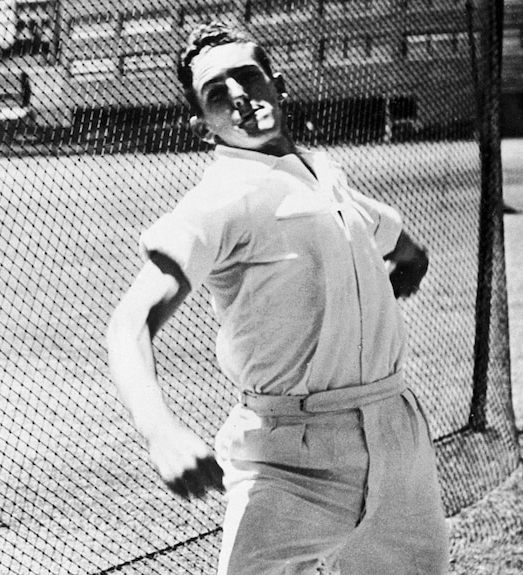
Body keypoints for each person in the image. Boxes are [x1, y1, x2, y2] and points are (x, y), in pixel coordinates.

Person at [105, 21, 449, 575]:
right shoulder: (219, 200)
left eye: (248, 77)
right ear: (201, 124)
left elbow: (400, 243)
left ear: (278, 85)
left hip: (397, 435)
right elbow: (129, 324)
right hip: (289, 457)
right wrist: (161, 432)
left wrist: (406, 264)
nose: (239, 96)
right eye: (217, 92)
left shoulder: (321, 175)